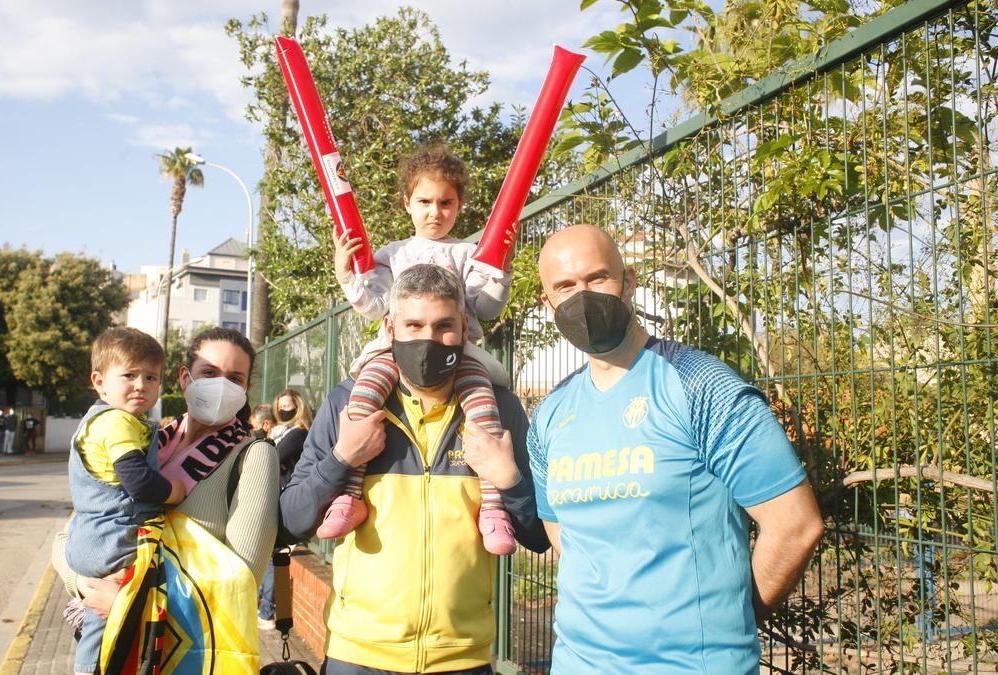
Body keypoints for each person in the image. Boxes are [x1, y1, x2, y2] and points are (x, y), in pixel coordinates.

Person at [528, 224, 825, 673]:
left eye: (597, 278)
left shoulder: (701, 385)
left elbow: (796, 524)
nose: (582, 297)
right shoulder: (550, 414)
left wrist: (732, 623)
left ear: (629, 282)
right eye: (565, 287)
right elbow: (564, 534)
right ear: (548, 302)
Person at [280, 264, 549, 674]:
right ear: (390, 328)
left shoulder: (500, 409)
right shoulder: (346, 405)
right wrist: (342, 459)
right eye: (414, 325)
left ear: (464, 328)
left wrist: (507, 479)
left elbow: (538, 536)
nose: (429, 340)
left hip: (463, 659)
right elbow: (291, 520)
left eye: (444, 326)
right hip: (357, 656)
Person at [325, 143, 518, 554]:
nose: (435, 212)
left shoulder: (468, 254)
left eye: (446, 203)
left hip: (457, 353)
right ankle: (350, 494)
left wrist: (501, 271)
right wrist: (347, 277)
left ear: (459, 205)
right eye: (425, 202)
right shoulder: (394, 254)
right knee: (363, 396)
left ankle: (493, 506)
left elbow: (484, 308)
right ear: (407, 203)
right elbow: (375, 305)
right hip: (394, 352)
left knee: (483, 405)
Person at [52, 326, 279, 674]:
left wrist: (128, 603)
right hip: (115, 640)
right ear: (185, 378)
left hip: (177, 651)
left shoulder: (253, 455)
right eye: (209, 373)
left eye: (235, 378)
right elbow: (71, 535)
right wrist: (83, 584)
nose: (221, 385)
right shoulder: (144, 442)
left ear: (246, 388)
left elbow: (240, 583)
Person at [60, 327, 188, 675]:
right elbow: (139, 482)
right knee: (109, 618)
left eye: (151, 377)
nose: (141, 385)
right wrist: (175, 490)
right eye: (129, 375)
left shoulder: (114, 420)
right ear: (99, 382)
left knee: (101, 618)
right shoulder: (116, 422)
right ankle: (89, 668)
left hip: (92, 535)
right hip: (111, 540)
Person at [257, 391, 314, 631]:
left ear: (297, 407)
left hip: (285, 499)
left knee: (275, 558)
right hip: (274, 495)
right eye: (279, 406)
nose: (283, 410)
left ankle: (268, 612)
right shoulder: (279, 431)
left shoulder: (298, 432)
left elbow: (274, 455)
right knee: (268, 554)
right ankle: (263, 606)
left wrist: (271, 454)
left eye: (288, 406)